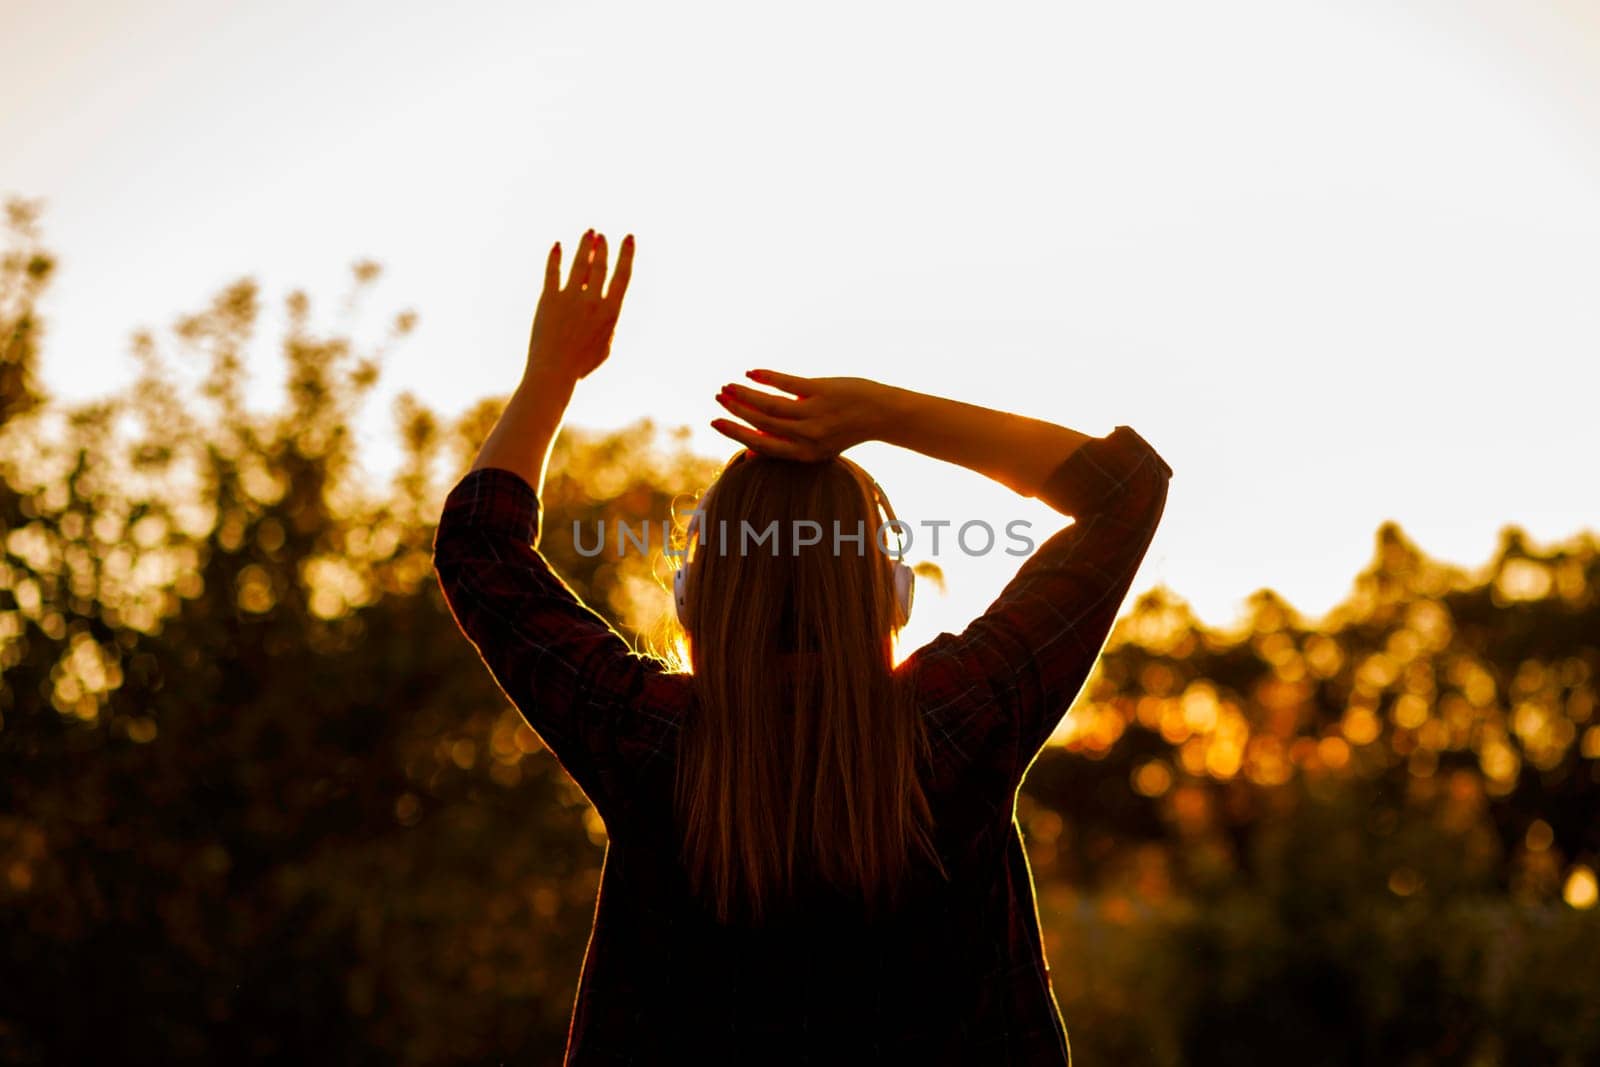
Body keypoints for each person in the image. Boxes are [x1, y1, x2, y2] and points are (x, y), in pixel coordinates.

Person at [432, 228, 1174, 1065]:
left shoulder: (646, 739)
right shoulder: (963, 719)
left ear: (693, 599)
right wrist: (884, 412)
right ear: (891, 593)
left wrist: (549, 379)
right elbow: (1125, 491)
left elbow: (479, 550)